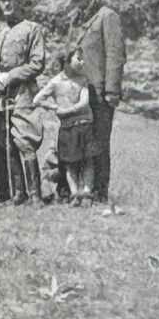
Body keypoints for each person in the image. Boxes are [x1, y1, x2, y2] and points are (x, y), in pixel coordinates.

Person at [63, 0, 126, 202]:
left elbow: (115, 56)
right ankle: (73, 191)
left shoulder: (107, 16)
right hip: (76, 92)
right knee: (75, 143)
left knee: (98, 143)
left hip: (99, 93)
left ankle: (99, 191)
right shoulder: (75, 19)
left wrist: (112, 90)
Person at [0, 0, 46, 204]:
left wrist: (10, 76)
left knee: (25, 141)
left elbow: (37, 63)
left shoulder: (32, 29)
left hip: (23, 94)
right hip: (1, 97)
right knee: (7, 144)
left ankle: (35, 195)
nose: (7, 3)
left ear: (20, 1)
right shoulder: (0, 33)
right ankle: (18, 193)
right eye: (2, 0)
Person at [34, 48, 96, 206]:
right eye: (78, 59)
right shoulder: (55, 82)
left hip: (84, 124)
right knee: (70, 163)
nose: (82, 62)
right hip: (67, 127)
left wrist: (68, 110)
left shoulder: (83, 80)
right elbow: (37, 99)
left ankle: (87, 193)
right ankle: (75, 193)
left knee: (88, 160)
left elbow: (84, 101)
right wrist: (54, 107)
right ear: (67, 62)